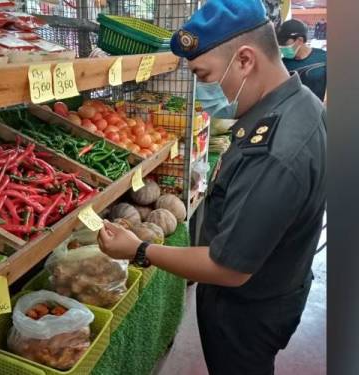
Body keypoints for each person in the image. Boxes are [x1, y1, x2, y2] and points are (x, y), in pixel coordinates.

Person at [98, 0, 326, 374]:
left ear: (245, 60)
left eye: (204, 75)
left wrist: (140, 248)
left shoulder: (274, 152)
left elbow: (228, 268)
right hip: (276, 286)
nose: (203, 89)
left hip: (246, 311)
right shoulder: (302, 106)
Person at [277, 18, 327, 101]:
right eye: (280, 43)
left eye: (284, 43)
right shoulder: (282, 64)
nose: (282, 47)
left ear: (300, 40)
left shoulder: (322, 58)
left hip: (319, 111)